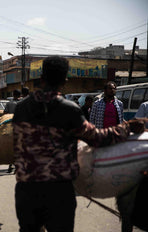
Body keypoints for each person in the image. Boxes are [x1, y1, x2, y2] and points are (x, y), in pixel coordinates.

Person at [12, 56, 144, 232]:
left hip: (26, 190)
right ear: (64, 80)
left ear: (41, 78)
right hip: (58, 191)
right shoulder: (68, 109)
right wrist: (127, 127)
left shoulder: (21, 108)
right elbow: (97, 138)